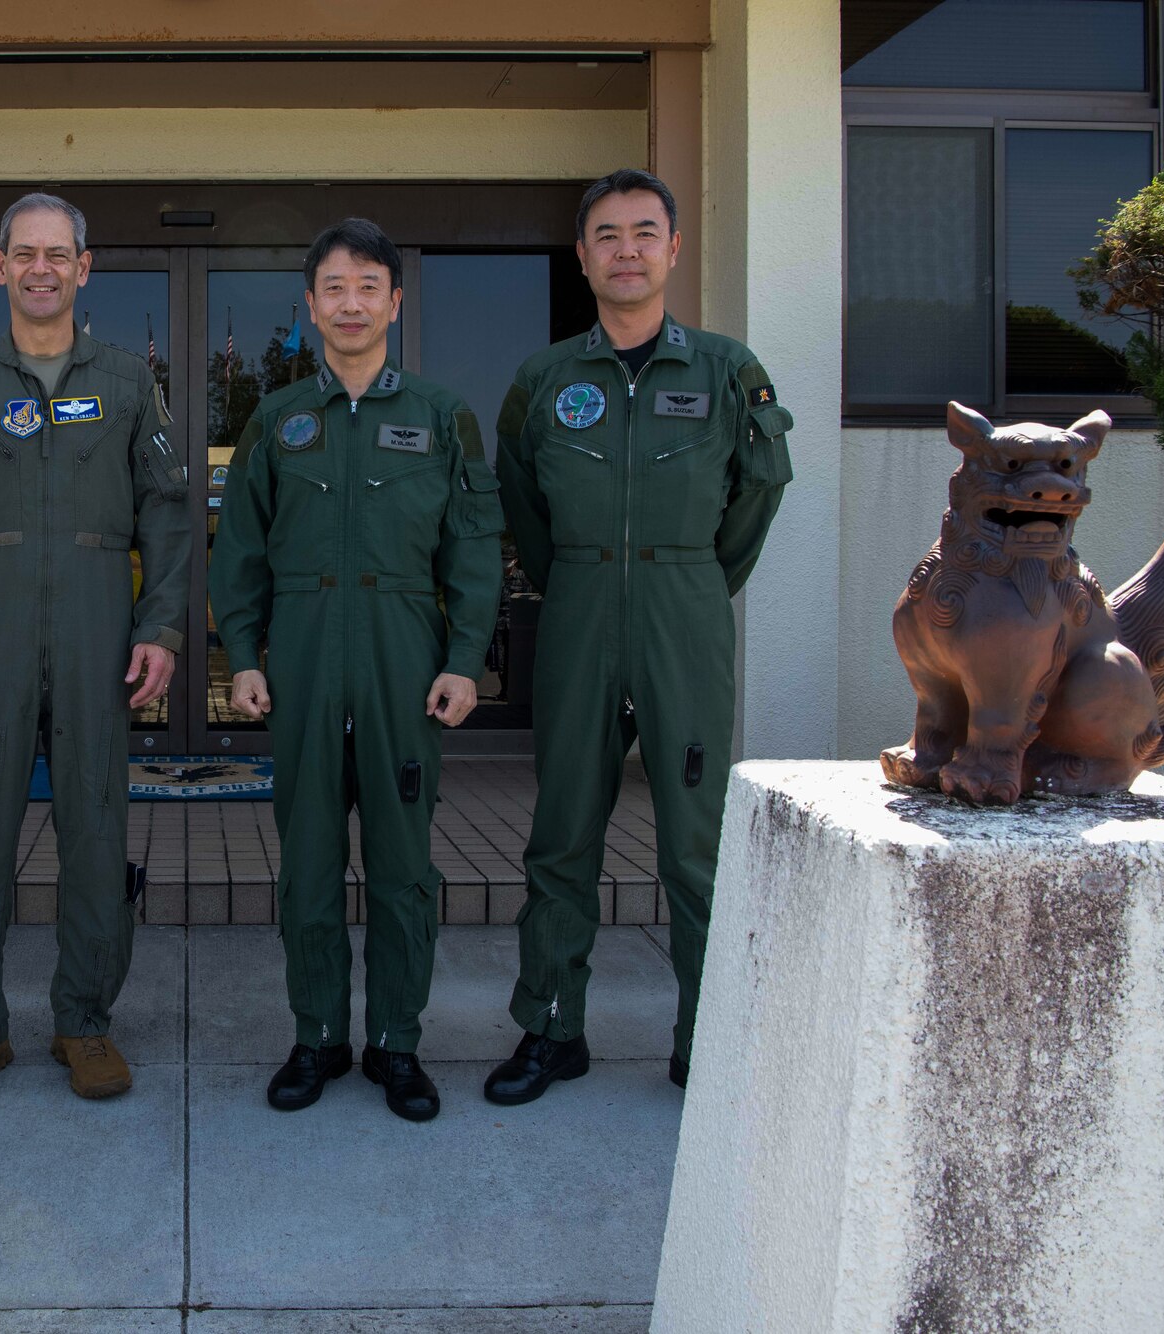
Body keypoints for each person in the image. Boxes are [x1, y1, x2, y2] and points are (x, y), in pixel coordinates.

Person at [487, 168, 793, 1105]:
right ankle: (551, 1029)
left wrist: (689, 579)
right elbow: (522, 504)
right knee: (561, 834)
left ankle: (706, 1044)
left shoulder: (727, 370)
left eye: (644, 233)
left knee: (695, 846)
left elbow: (758, 494)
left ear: (673, 249)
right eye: (607, 236)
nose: (627, 251)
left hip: (684, 614)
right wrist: (580, 578)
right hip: (577, 611)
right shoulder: (544, 380)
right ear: (582, 257)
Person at [208, 218, 504, 1122]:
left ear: (395, 302)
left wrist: (464, 661)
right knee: (306, 864)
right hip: (301, 657)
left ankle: (397, 1044)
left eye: (368, 286)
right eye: (333, 287)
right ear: (310, 304)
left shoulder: (440, 416)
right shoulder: (277, 419)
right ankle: (318, 1038)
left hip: (402, 658)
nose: (350, 303)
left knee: (403, 865)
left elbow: (473, 551)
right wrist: (243, 657)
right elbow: (240, 551)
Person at [0, 193, 190, 1108]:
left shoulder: (130, 383)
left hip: (97, 637)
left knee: (97, 834)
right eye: (24, 254)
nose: (40, 269)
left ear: (83, 267)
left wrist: (160, 628)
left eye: (57, 254)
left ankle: (85, 1022)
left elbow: (168, 516)